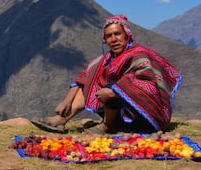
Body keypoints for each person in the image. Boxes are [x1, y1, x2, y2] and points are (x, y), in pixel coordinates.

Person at [31, 15, 182, 134]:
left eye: (117, 34)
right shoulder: (106, 59)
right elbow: (83, 79)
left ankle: (107, 127)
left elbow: (149, 84)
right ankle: (61, 119)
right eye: (109, 36)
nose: (113, 39)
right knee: (94, 78)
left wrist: (115, 91)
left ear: (126, 35)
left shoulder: (140, 56)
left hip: (146, 117)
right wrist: (66, 101)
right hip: (121, 112)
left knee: (113, 88)